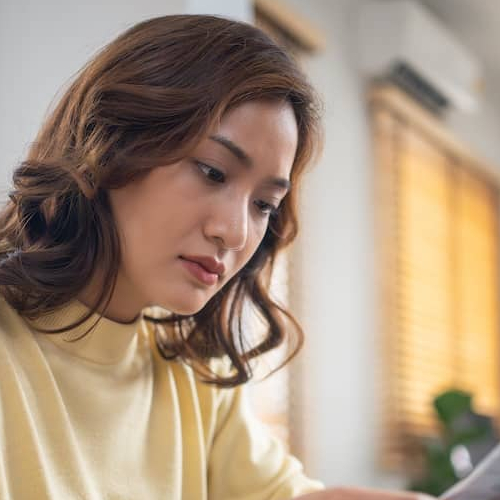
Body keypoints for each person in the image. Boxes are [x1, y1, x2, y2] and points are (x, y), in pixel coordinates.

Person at [0, 14, 434, 500]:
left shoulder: (187, 372)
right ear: (112, 144)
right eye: (211, 172)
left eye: (264, 205)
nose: (235, 231)